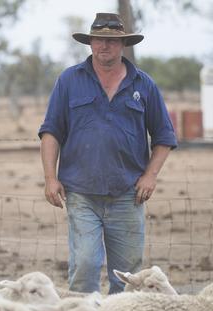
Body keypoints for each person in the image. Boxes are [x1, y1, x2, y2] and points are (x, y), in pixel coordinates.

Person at [38, 13, 178, 294]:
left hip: (128, 193)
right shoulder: (69, 80)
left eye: (112, 41)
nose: (105, 46)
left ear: (123, 44)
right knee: (85, 264)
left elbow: (164, 136)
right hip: (80, 192)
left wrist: (150, 176)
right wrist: (50, 178)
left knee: (128, 276)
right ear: (90, 43)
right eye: (99, 40)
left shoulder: (143, 84)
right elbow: (51, 131)